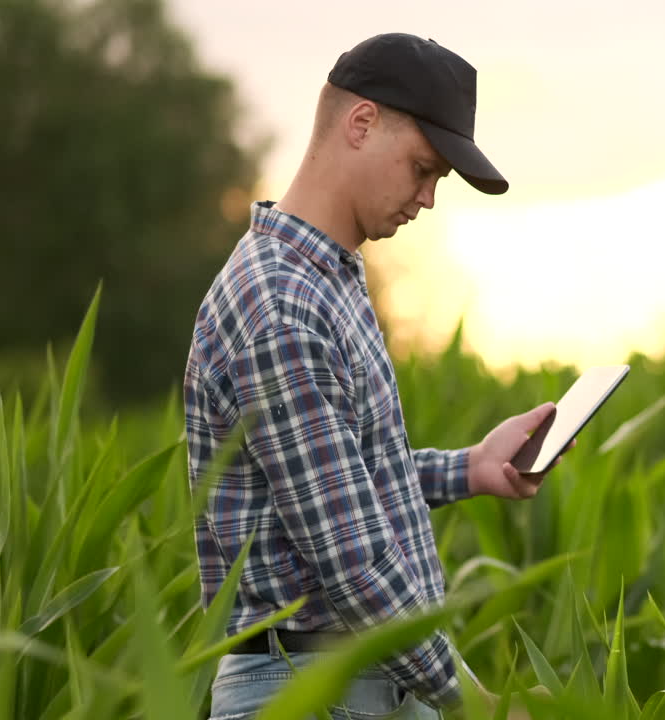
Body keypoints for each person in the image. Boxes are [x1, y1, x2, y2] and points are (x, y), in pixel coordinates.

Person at [182, 32, 566, 719]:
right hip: (306, 687)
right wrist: (481, 707)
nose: (427, 199)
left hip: (361, 679)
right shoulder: (281, 304)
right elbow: (353, 562)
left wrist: (470, 467)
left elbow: (338, 482)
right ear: (361, 124)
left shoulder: (327, 281)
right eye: (423, 168)